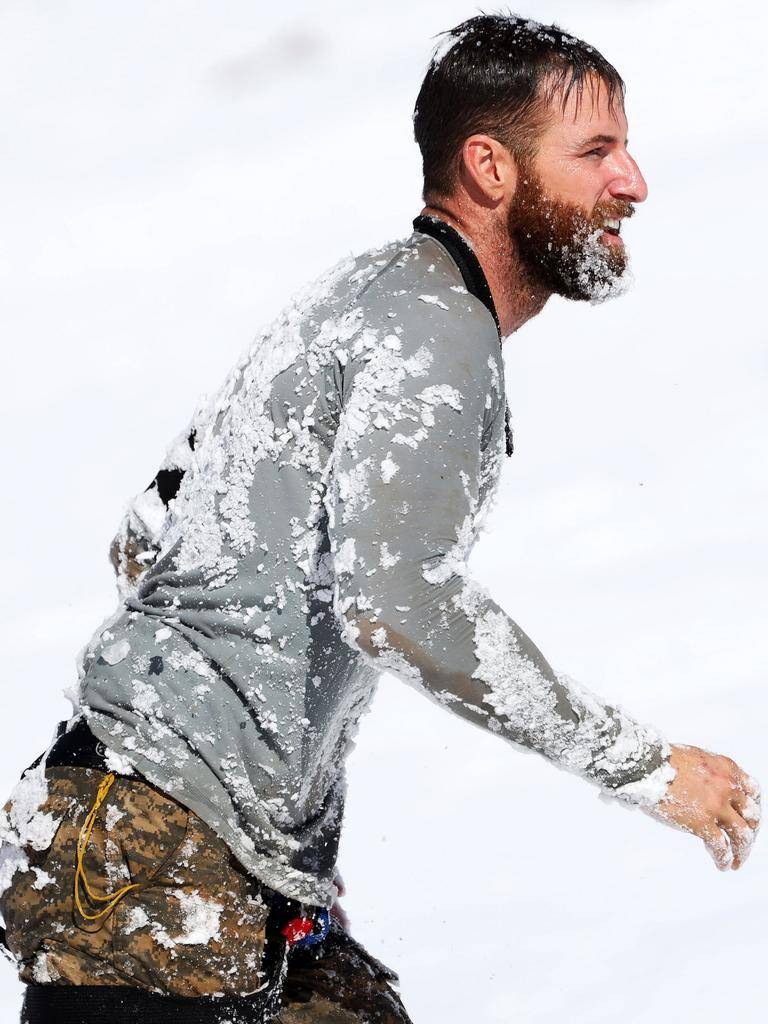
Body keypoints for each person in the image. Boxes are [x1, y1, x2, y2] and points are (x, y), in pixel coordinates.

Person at [0, 11, 761, 1023]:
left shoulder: (361, 299)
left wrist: (266, 810)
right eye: (596, 152)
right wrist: (645, 768)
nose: (633, 181)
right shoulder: (431, 331)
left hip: (188, 847)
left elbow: (152, 525)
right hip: (158, 865)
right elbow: (397, 598)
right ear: (490, 168)